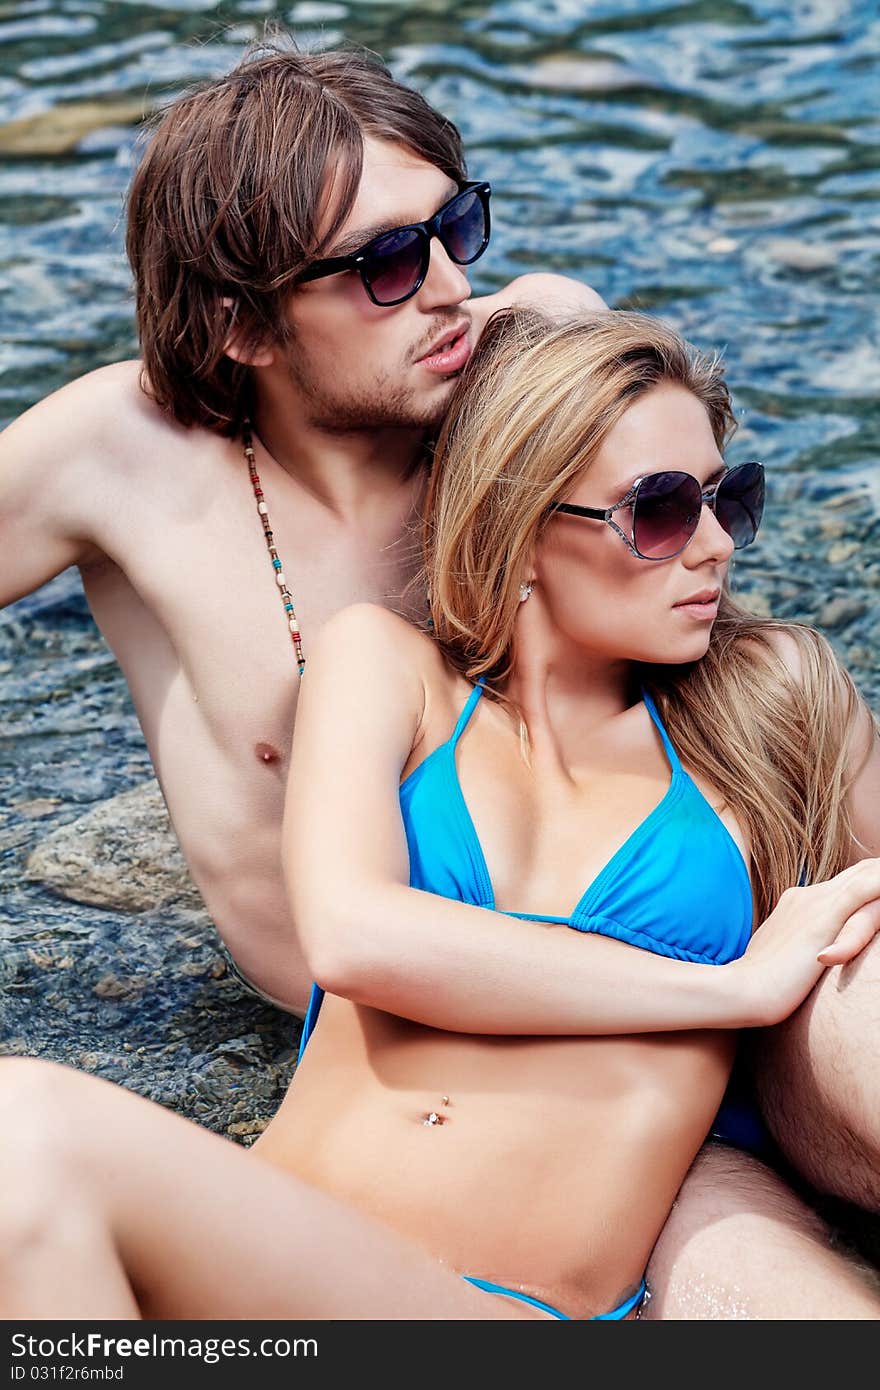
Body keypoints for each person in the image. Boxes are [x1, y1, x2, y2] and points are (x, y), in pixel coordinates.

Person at [2, 309, 879, 1321]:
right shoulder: (385, 667)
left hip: (497, 1311)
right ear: (523, 531)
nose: (717, 546)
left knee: (25, 1123)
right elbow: (354, 934)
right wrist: (736, 991)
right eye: (663, 510)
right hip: (271, 1283)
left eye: (730, 500)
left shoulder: (768, 700)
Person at [0, 41, 606, 1017]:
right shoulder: (118, 454)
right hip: (379, 1051)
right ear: (244, 328)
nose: (451, 284)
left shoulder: (527, 365)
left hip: (637, 959)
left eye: (453, 225)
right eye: (389, 263)